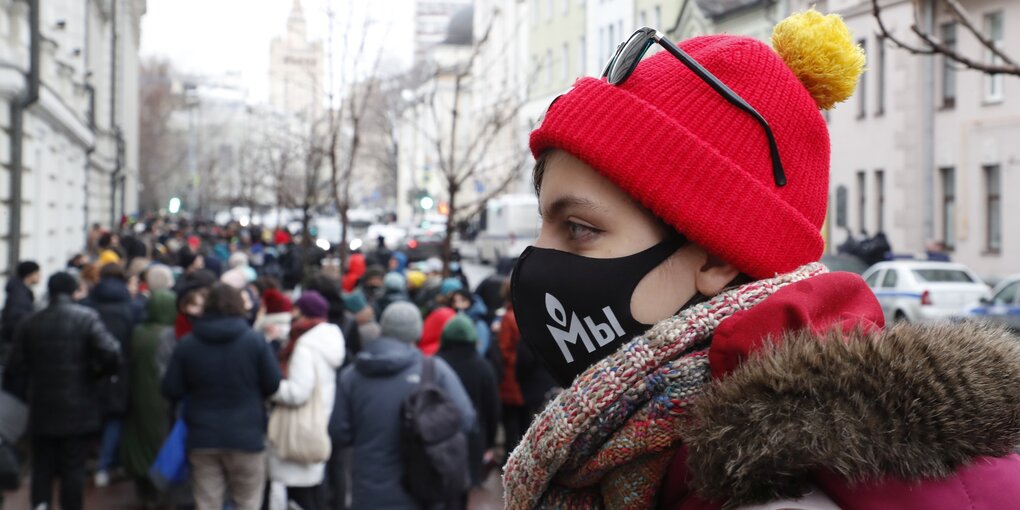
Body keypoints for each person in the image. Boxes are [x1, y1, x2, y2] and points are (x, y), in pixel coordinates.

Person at [502, 10, 1020, 509]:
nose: (537, 262)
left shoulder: (779, 491)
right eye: (543, 225)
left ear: (715, 260)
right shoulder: (649, 452)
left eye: (579, 229)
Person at [330, 302, 476, 510]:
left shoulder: (352, 375)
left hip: (368, 492)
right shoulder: (435, 370)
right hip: (423, 488)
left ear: (383, 328)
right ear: (417, 331)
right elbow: (466, 419)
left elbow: (338, 432)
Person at [6, 272, 121, 510]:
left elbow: (15, 365)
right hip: (79, 407)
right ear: (73, 291)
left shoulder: (31, 322)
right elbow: (111, 353)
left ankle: (41, 505)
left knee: (42, 466)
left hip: (42, 405)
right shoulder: (87, 319)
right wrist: (97, 375)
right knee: (73, 467)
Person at [162, 284, 282, 510]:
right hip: (247, 436)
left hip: (202, 436)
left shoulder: (188, 344)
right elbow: (273, 383)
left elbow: (171, 389)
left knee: (207, 503)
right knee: (247, 502)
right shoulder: (254, 341)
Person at [269, 291, 346, 510]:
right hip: (320, 418)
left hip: (300, 425)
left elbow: (298, 392)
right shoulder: (328, 338)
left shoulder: (304, 346)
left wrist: (272, 389)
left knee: (301, 492)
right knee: (313, 489)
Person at [86, 263, 142, 488]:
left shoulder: (88, 304)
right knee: (115, 418)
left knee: (92, 413)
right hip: (121, 370)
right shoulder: (133, 308)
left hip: (90, 368)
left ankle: (89, 457)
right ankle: (105, 465)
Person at [120, 289, 177, 505]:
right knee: (160, 443)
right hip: (163, 400)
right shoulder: (171, 336)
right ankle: (158, 491)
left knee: (139, 442)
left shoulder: (137, 333)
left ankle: (143, 491)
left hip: (136, 397)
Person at [436, 315, 500, 490]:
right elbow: (492, 408)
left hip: (440, 437)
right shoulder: (483, 366)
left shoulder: (435, 364)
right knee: (469, 489)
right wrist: (490, 441)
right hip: (474, 437)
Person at [0, 261, 40, 365]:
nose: (40, 276)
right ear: (29, 274)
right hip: (13, 346)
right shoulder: (19, 295)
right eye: (37, 273)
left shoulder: (21, 291)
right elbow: (17, 320)